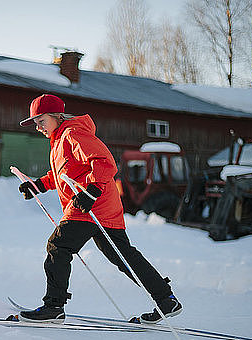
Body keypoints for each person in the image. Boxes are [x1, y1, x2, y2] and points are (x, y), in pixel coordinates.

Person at [17, 94, 181, 324]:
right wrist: (38, 185)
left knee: (59, 245)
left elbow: (104, 161)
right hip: (103, 209)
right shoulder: (59, 140)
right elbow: (63, 174)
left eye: (41, 121)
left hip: (89, 207)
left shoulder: (73, 133)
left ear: (56, 116)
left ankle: (53, 306)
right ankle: (166, 299)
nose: (38, 127)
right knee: (124, 256)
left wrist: (91, 191)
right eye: (35, 123)